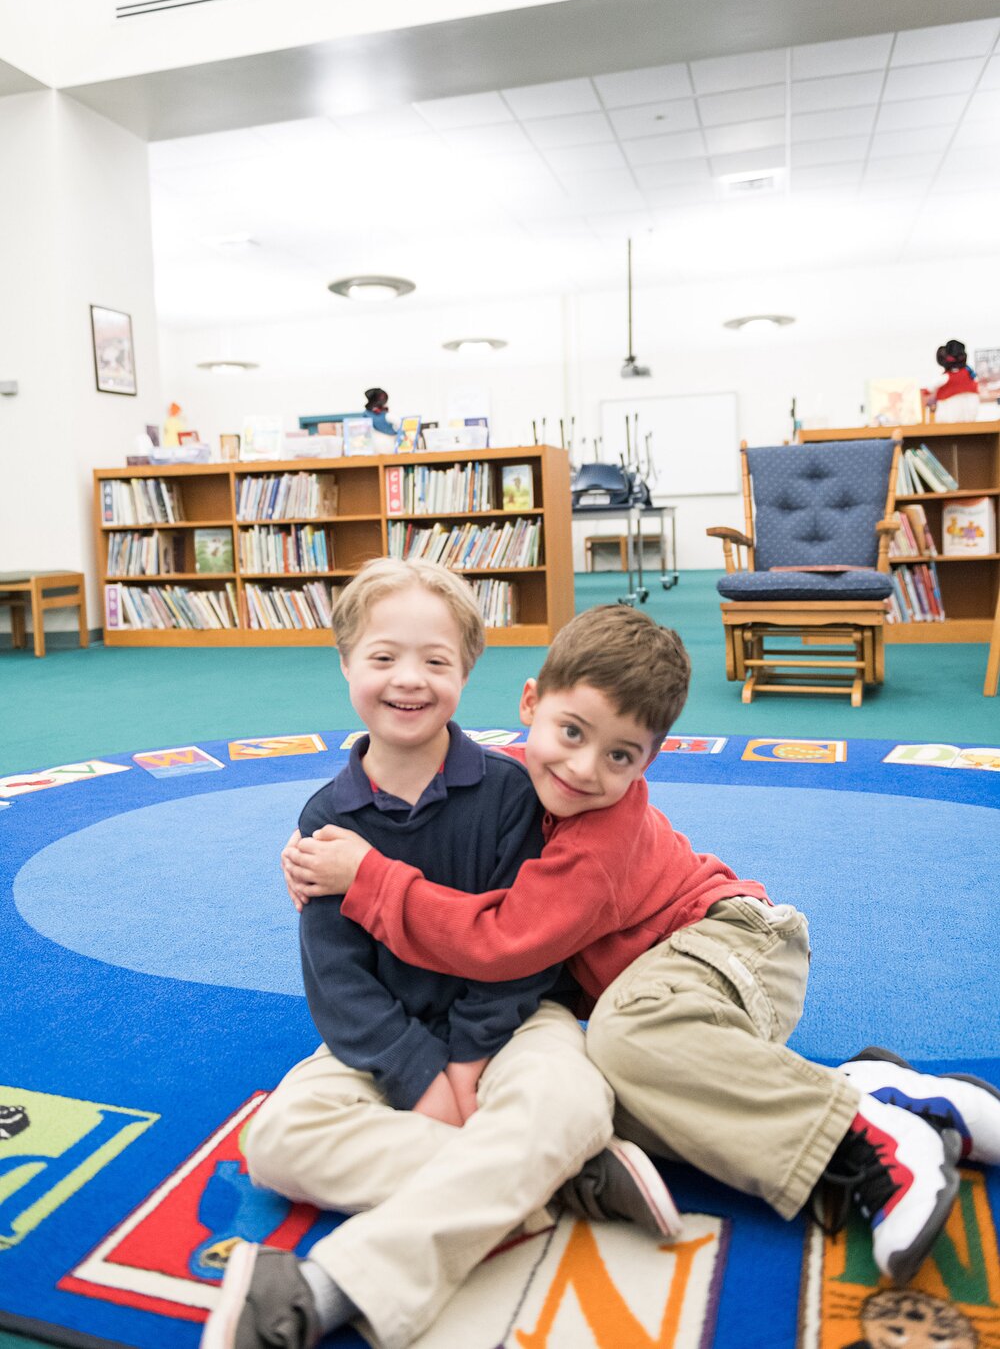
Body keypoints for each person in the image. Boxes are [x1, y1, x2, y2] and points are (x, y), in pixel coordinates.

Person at [284, 603, 1000, 1291]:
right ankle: (872, 1090)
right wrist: (315, 866)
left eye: (619, 754)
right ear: (530, 703)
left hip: (732, 942)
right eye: (571, 732)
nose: (584, 769)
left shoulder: (598, 837)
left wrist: (369, 879)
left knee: (625, 1040)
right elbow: (450, 840)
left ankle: (861, 1136)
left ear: (651, 760)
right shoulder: (514, 781)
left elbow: (503, 941)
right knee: (591, 1090)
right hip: (661, 984)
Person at [202, 563, 678, 1349]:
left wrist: (463, 1061)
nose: (409, 681)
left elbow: (523, 946)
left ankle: (337, 1282)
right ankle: (552, 1177)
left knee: (572, 1101)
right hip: (379, 1035)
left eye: (436, 661)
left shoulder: (512, 790)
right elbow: (337, 977)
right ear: (347, 664)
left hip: (514, 1021)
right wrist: (416, 1071)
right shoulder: (325, 815)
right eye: (384, 658)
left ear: (468, 671)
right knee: (279, 1139)